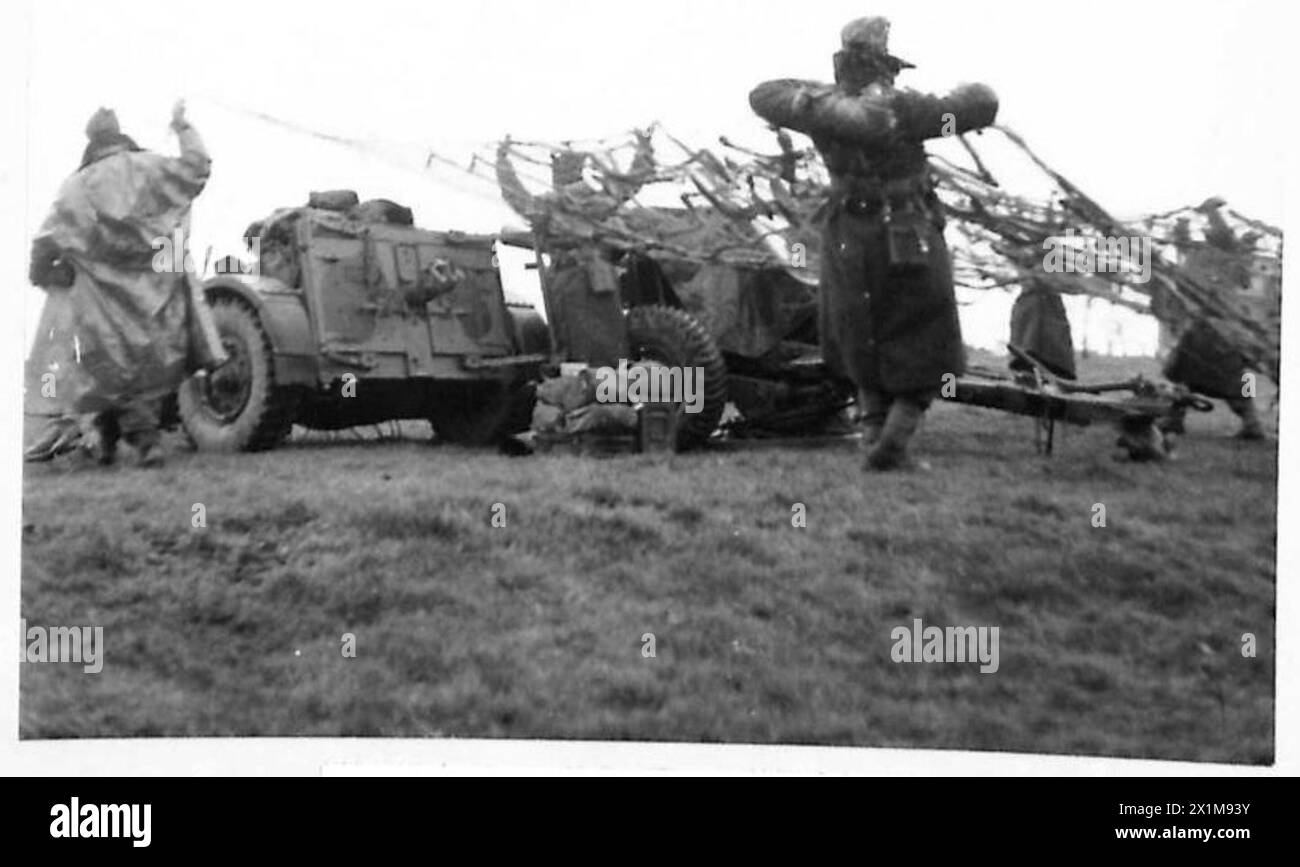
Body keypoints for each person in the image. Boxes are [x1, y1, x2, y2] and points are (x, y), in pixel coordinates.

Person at [749, 17, 997, 469]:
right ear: (885, 64)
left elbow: (764, 94)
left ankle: (873, 441)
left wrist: (821, 100)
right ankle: (892, 446)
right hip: (906, 236)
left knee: (861, 339)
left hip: (848, 238)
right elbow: (984, 103)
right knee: (926, 338)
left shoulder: (817, 108)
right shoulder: (911, 112)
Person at [28, 101, 223, 467]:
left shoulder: (76, 188)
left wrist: (45, 273)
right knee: (145, 369)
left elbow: (45, 242)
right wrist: (182, 127)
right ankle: (120, 440)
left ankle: (128, 441)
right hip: (155, 293)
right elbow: (198, 168)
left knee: (106, 369)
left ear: (91, 140)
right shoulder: (153, 168)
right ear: (119, 134)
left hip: (100, 300)